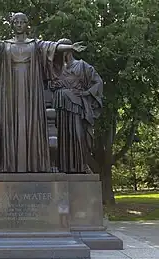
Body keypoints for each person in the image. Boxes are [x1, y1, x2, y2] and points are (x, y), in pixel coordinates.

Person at [0, 12, 86, 173]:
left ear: (26, 25)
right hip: (10, 88)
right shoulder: (4, 45)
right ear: (12, 24)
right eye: (16, 22)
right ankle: (9, 163)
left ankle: (36, 163)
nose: (19, 24)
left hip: (31, 89)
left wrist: (70, 47)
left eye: (22, 22)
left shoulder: (35, 44)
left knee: (32, 122)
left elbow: (52, 47)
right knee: (10, 122)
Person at [50, 38, 103, 173]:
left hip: (76, 106)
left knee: (78, 135)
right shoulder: (55, 69)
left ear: (68, 51)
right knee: (61, 137)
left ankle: (81, 165)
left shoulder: (82, 66)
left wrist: (86, 93)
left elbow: (98, 82)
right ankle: (60, 166)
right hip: (59, 106)